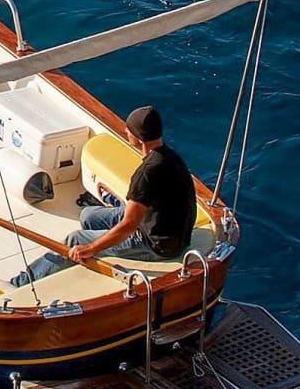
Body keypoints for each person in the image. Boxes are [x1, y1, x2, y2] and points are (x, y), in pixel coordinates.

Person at [10, 105, 196, 287]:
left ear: (138, 138)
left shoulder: (146, 173)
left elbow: (129, 226)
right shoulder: (171, 156)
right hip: (167, 226)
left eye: (128, 130)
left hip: (157, 243)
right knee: (87, 215)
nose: (125, 131)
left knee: (76, 240)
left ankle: (20, 283)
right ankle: (95, 253)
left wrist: (91, 248)